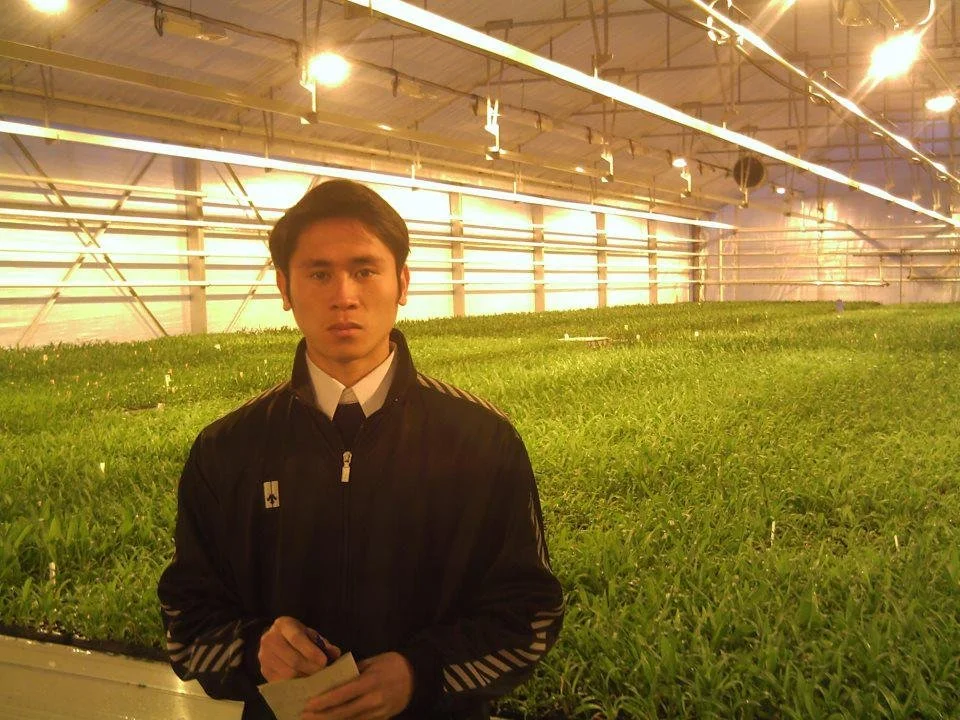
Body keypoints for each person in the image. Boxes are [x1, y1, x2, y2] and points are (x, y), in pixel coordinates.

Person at [157, 179, 564, 720]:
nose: (344, 295)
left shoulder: (481, 440)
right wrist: (258, 648)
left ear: (402, 282)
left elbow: (529, 614)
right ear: (284, 287)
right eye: (319, 273)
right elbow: (187, 621)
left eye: (365, 270)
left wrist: (422, 671)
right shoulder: (227, 450)